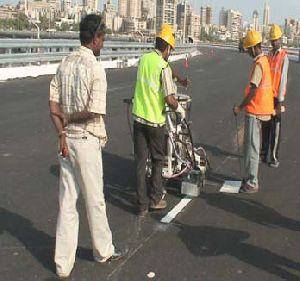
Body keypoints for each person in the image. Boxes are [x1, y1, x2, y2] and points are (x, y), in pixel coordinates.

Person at [49, 14, 123, 279]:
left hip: (66, 140)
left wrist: (61, 132)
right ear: (95, 39)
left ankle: (62, 264)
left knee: (67, 203)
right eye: (102, 38)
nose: (103, 43)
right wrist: (69, 119)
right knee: (94, 201)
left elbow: (53, 104)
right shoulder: (95, 69)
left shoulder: (64, 63)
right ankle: (103, 250)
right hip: (86, 139)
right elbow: (94, 111)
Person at [132, 24, 187, 216]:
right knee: (157, 161)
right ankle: (155, 199)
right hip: (155, 122)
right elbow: (169, 99)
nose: (170, 54)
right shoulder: (162, 66)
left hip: (138, 119)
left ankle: (141, 205)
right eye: (170, 50)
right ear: (167, 48)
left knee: (140, 163)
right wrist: (180, 110)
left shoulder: (144, 59)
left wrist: (178, 78)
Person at [233, 30, 274, 193]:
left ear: (255, 47)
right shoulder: (264, 61)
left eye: (249, 49)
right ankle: (251, 178)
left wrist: (239, 107)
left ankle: (252, 181)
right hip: (261, 110)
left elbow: (253, 91)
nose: (248, 52)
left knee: (251, 148)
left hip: (255, 110)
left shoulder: (259, 64)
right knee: (253, 146)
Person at [261, 24, 289, 168]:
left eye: (275, 40)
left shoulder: (284, 57)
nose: (273, 42)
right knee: (265, 126)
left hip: (277, 98)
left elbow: (282, 80)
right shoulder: (269, 55)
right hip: (267, 97)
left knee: (275, 128)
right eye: (272, 40)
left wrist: (280, 102)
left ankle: (274, 157)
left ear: (280, 39)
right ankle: (264, 153)